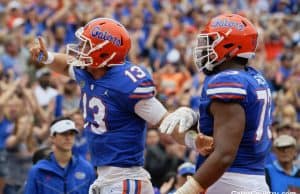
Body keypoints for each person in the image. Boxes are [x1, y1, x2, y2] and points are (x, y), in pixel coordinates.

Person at [29, 17, 213, 193]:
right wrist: (47, 57)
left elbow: (166, 123)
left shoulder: (126, 84)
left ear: (104, 51)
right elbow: (64, 65)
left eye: (87, 44)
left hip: (125, 179)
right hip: (107, 177)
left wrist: (194, 141)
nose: (80, 48)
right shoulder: (89, 71)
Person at [159, 13, 272, 193]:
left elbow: (225, 153)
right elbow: (229, 129)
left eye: (210, 41)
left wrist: (188, 189)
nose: (204, 48)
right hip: (249, 178)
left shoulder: (226, 81)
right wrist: (197, 120)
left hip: (229, 180)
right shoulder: (253, 77)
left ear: (228, 46)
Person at [24, 117, 96, 194]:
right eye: (63, 133)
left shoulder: (87, 169)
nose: (68, 138)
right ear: (52, 138)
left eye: (71, 134)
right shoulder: (38, 171)